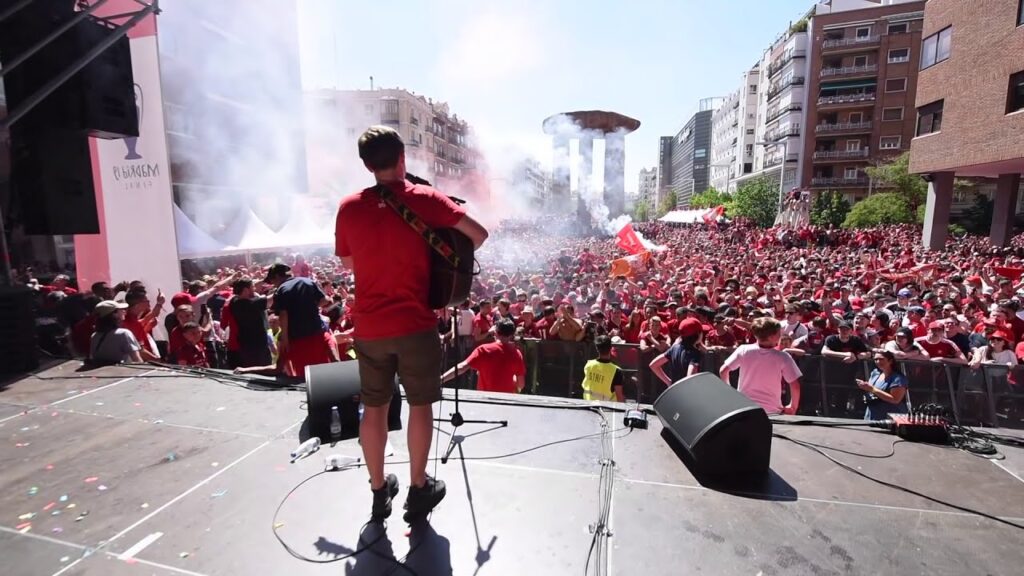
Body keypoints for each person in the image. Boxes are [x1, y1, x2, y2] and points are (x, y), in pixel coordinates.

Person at [335, 126, 488, 523]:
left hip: (368, 328)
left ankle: (377, 489)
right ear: (403, 158)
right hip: (415, 323)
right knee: (420, 406)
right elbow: (478, 235)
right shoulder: (425, 199)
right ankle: (418, 487)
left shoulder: (348, 207)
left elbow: (349, 263)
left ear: (367, 165)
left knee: (374, 407)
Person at [265, 263, 339, 378]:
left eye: (272, 281)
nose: (273, 284)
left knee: (305, 377)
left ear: (277, 277)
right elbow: (325, 300)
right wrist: (310, 307)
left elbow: (283, 314)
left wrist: (284, 337)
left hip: (298, 339)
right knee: (326, 372)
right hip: (317, 333)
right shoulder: (308, 281)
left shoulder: (281, 290)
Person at [719, 317, 802, 415]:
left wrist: (731, 395)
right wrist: (793, 407)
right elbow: (795, 385)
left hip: (744, 409)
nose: (781, 335)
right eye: (779, 333)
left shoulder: (743, 350)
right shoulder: (783, 357)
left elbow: (723, 371)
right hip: (771, 412)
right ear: (772, 337)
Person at [440, 319, 524, 394]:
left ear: (495, 333)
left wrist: (441, 379)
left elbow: (462, 367)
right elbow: (521, 384)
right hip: (506, 400)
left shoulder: (483, 350)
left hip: (485, 399)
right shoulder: (517, 354)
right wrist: (512, 378)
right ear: (511, 335)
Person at [227, 278, 273, 368]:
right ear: (245, 290)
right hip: (257, 347)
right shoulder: (250, 304)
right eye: (252, 287)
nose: (255, 289)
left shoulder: (234, 302)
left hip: (245, 345)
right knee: (262, 371)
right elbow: (272, 299)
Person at [649, 318, 704, 386]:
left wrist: (669, 382)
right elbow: (690, 377)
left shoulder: (674, 348)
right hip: (687, 393)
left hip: (675, 390)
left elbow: (653, 365)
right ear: (698, 334)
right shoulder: (694, 353)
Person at [857, 351, 909, 420]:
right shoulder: (875, 373)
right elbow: (871, 390)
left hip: (890, 418)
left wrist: (872, 389)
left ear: (890, 361)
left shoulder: (898, 379)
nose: (878, 362)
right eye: (876, 359)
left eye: (881, 359)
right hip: (872, 415)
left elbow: (895, 399)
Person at [90, 300, 143, 364]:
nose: (124, 311)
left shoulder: (94, 336)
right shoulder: (124, 334)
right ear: (114, 314)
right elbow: (138, 361)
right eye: (120, 309)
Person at [581, 335, 625, 402]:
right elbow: (619, 397)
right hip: (607, 408)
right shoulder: (616, 371)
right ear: (610, 348)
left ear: (597, 348)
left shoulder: (588, 365)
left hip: (588, 404)